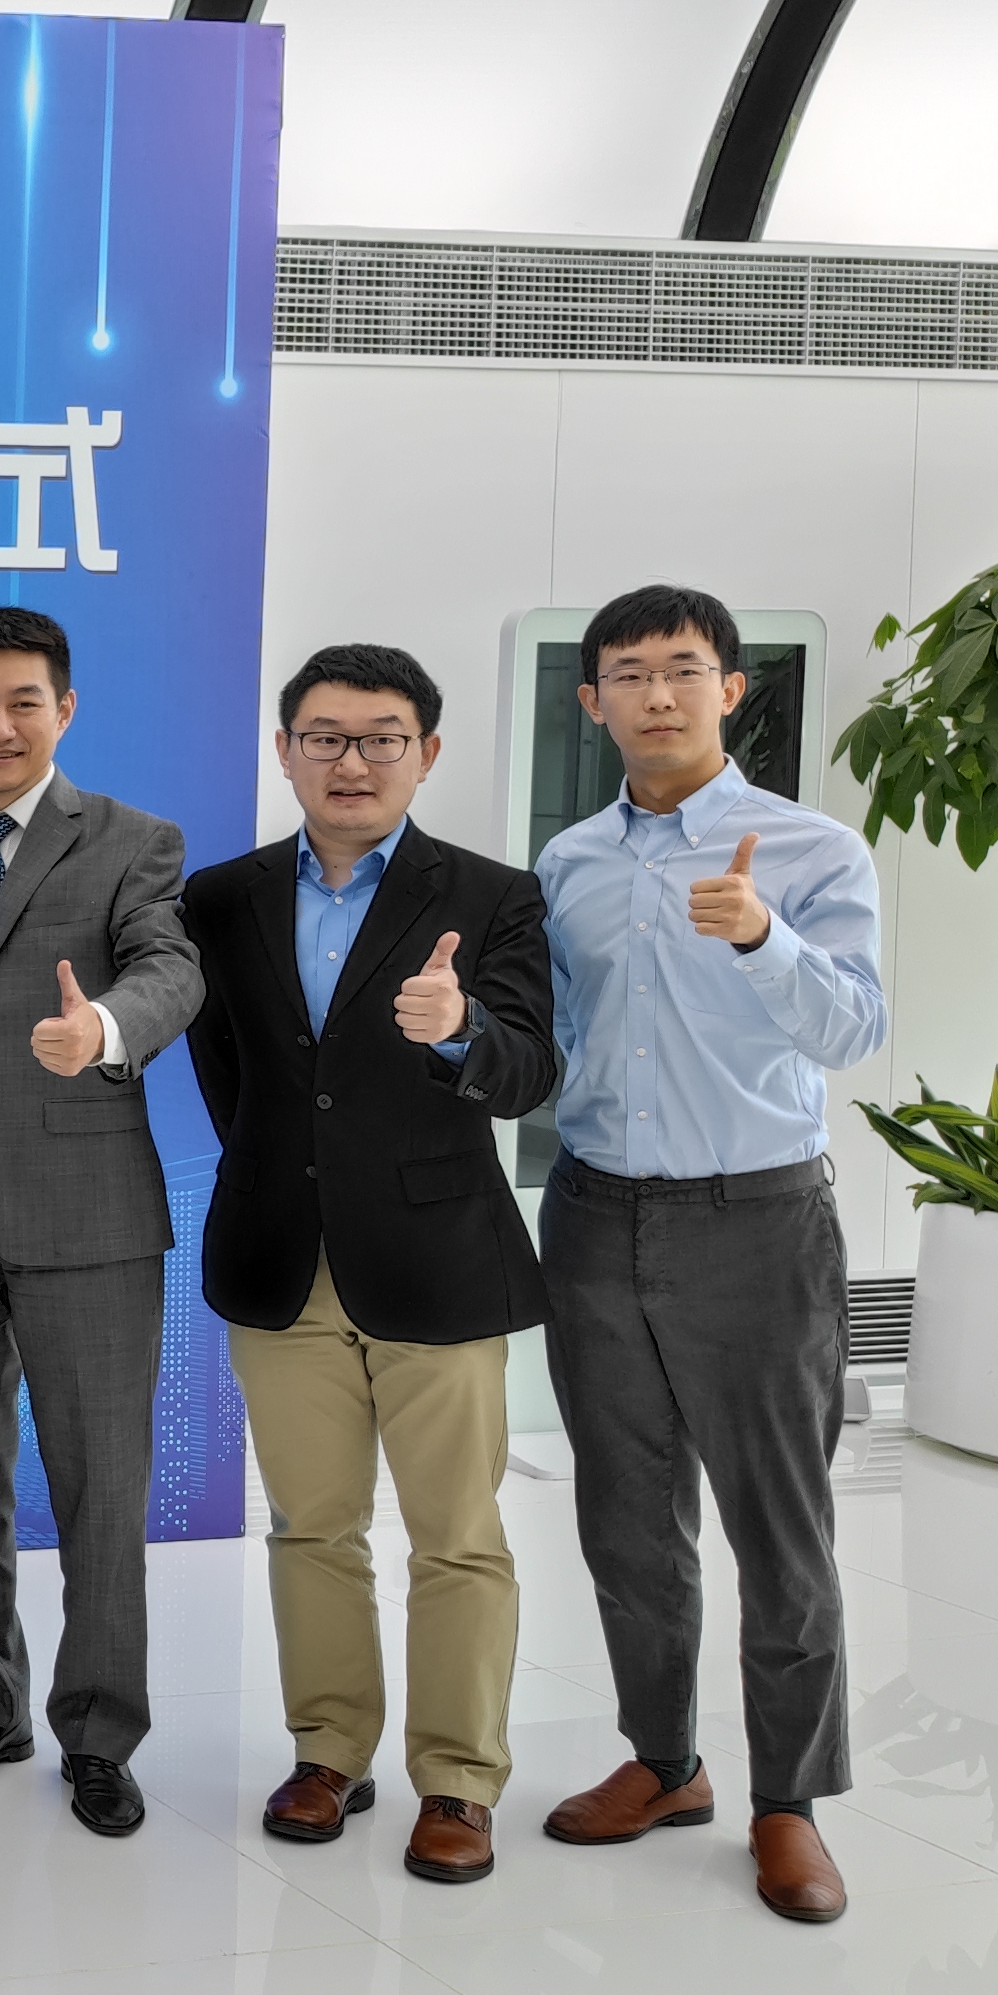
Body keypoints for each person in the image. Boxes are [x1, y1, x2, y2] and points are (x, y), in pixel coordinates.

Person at [532, 584, 885, 1925]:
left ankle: (789, 1804)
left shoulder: (810, 851)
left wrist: (762, 936)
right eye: (628, 673)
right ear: (593, 702)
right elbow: (555, 1041)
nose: (658, 694)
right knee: (626, 1519)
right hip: (593, 1216)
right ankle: (665, 1763)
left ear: (731, 690)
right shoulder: (569, 864)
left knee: (780, 1532)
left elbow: (854, 1032)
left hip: (757, 1222)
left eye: (684, 669)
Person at [183, 643, 557, 1886]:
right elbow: (232, 1076)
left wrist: (462, 1031)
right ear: (285, 751)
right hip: (279, 1257)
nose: (353, 761)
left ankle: (459, 1781)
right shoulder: (222, 898)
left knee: (458, 1538)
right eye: (326, 737)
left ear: (426, 753)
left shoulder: (493, 896)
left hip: (436, 1258)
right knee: (311, 1527)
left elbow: (531, 1069)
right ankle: (329, 1753)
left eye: (382, 738)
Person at [0, 606, 206, 1836]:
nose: (0, 724)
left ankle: (101, 1736)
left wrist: (105, 1028)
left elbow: (169, 966)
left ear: (64, 709)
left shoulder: (132, 839)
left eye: (25, 701)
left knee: (100, 1488)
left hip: (88, 1208)